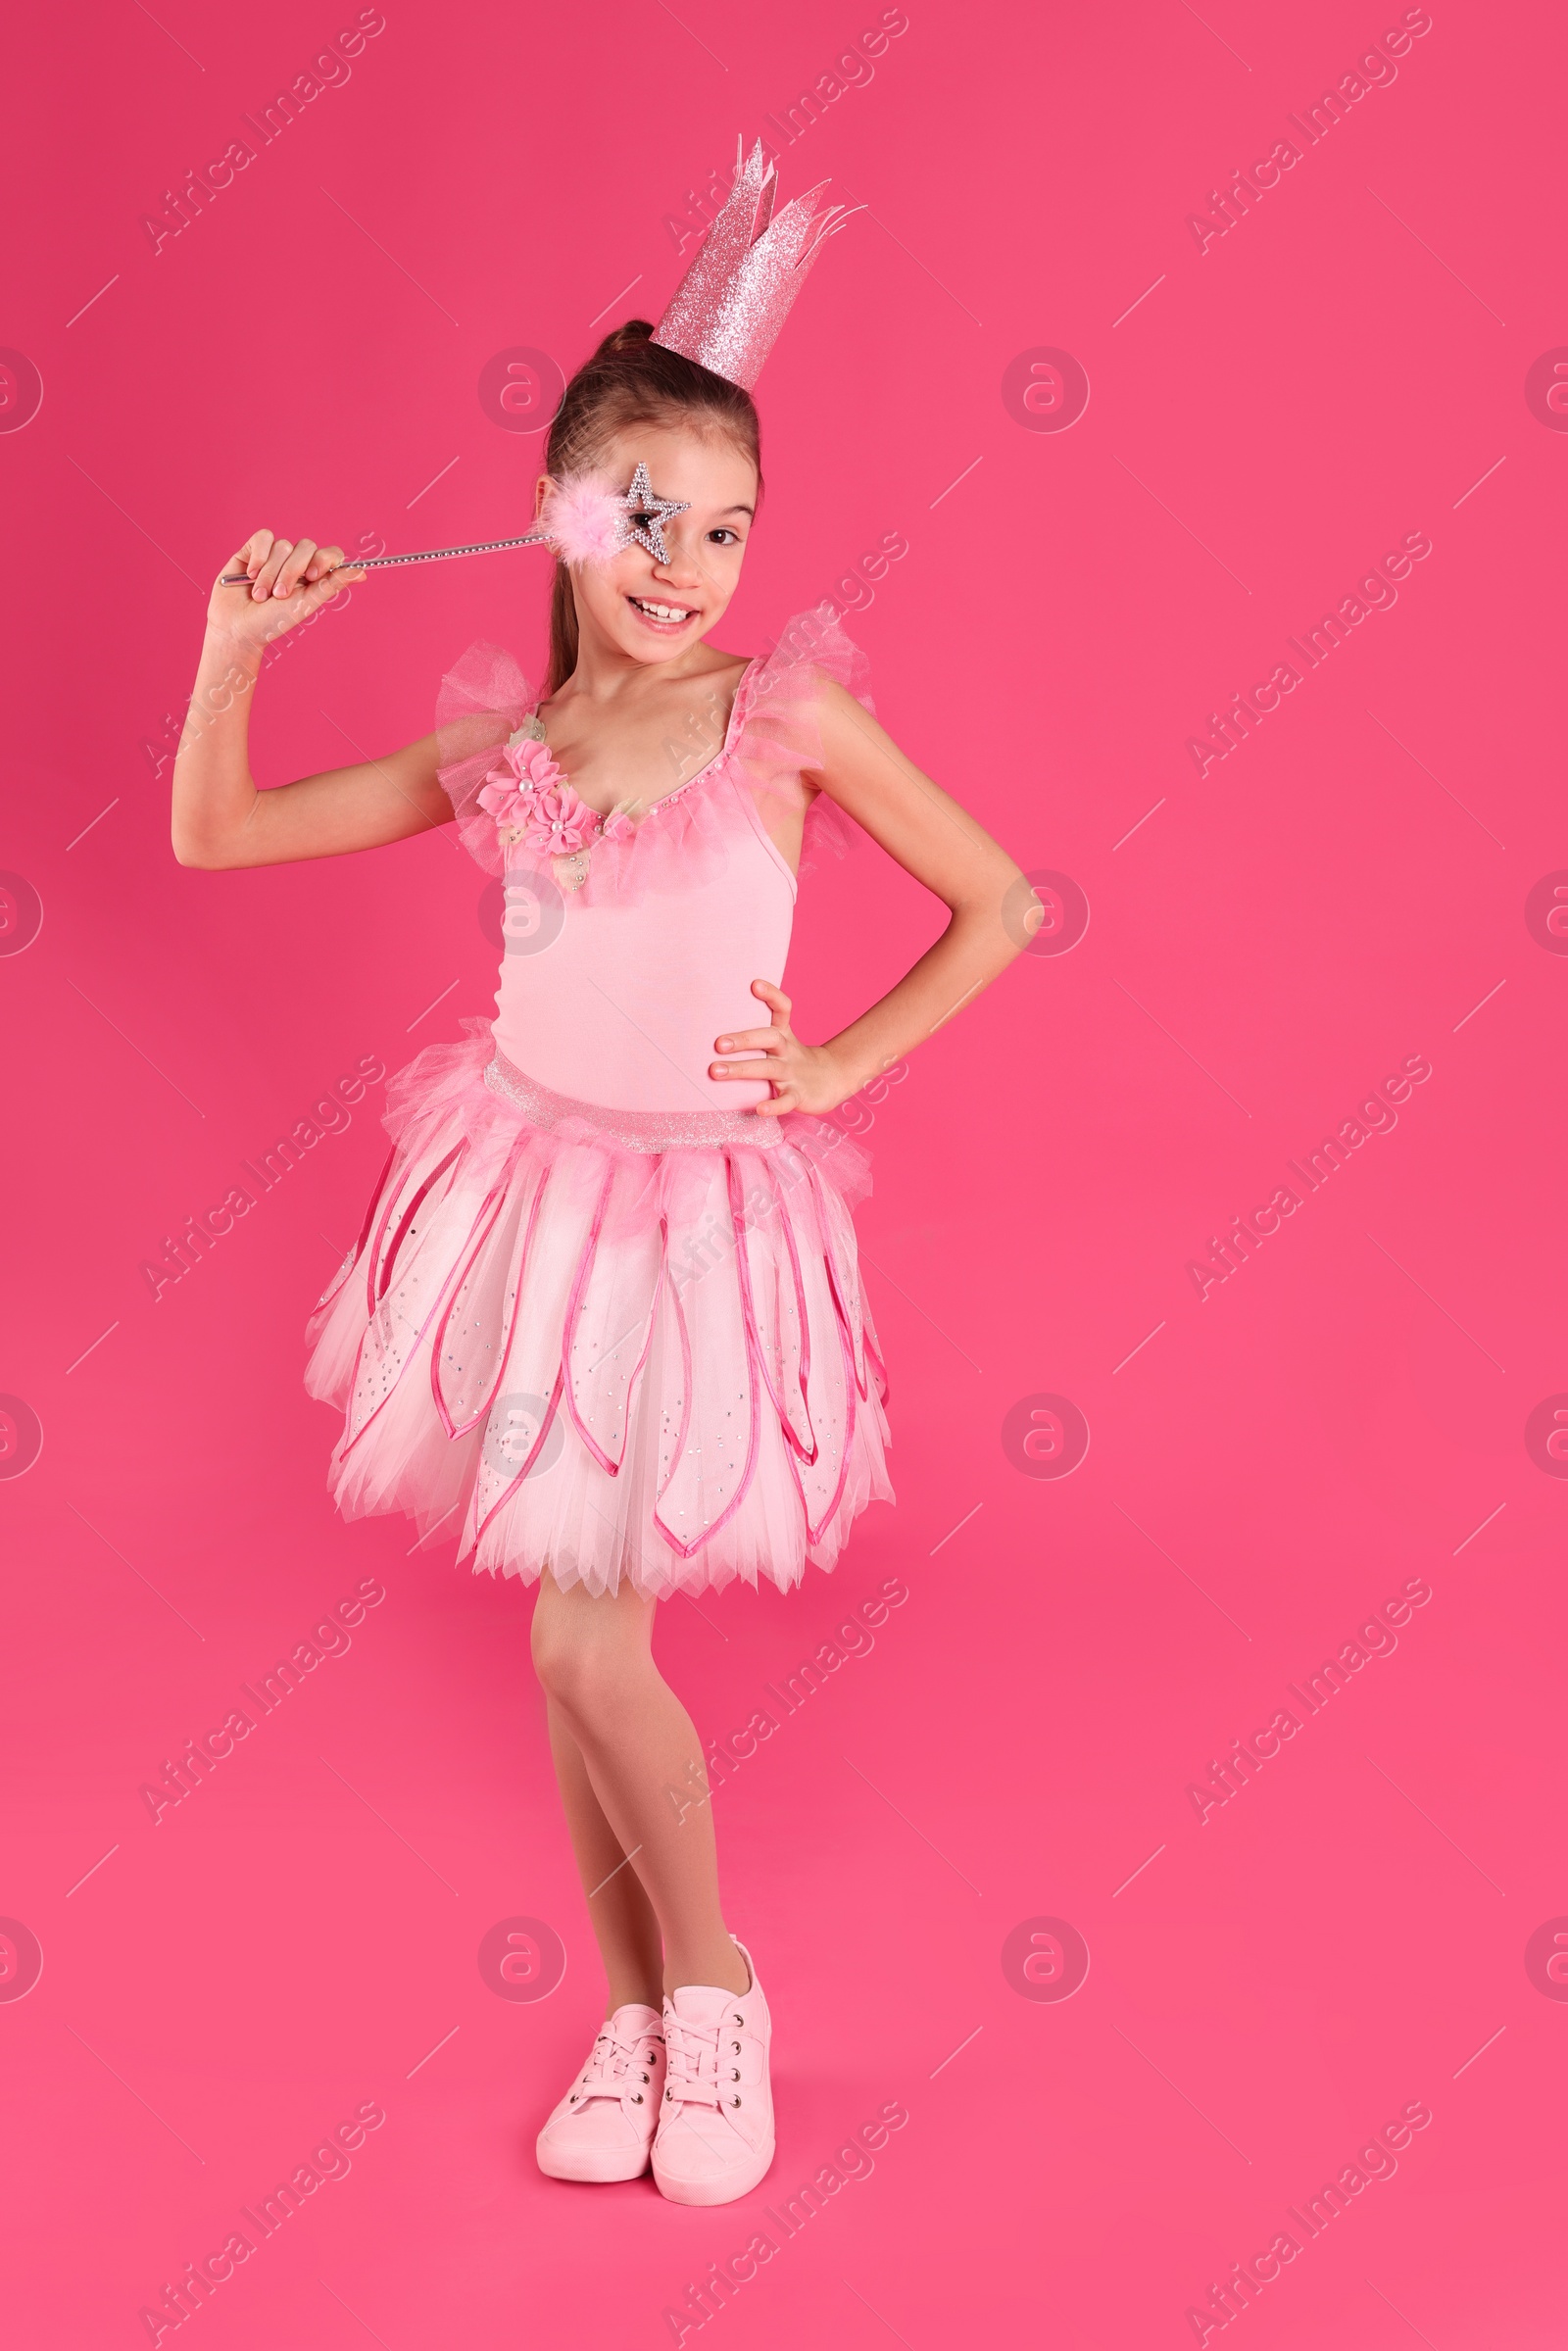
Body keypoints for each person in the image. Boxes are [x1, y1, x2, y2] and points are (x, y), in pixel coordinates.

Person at [171, 150, 1034, 2209]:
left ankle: (716, 1985)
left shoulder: (785, 716)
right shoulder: (515, 750)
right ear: (566, 520)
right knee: (568, 1665)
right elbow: (215, 835)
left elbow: (995, 902)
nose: (689, 562)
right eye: (648, 519)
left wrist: (829, 1060)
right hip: (535, 1217)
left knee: (579, 1650)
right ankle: (641, 2016)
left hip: (691, 1236)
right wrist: (231, 645)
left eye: (725, 526)